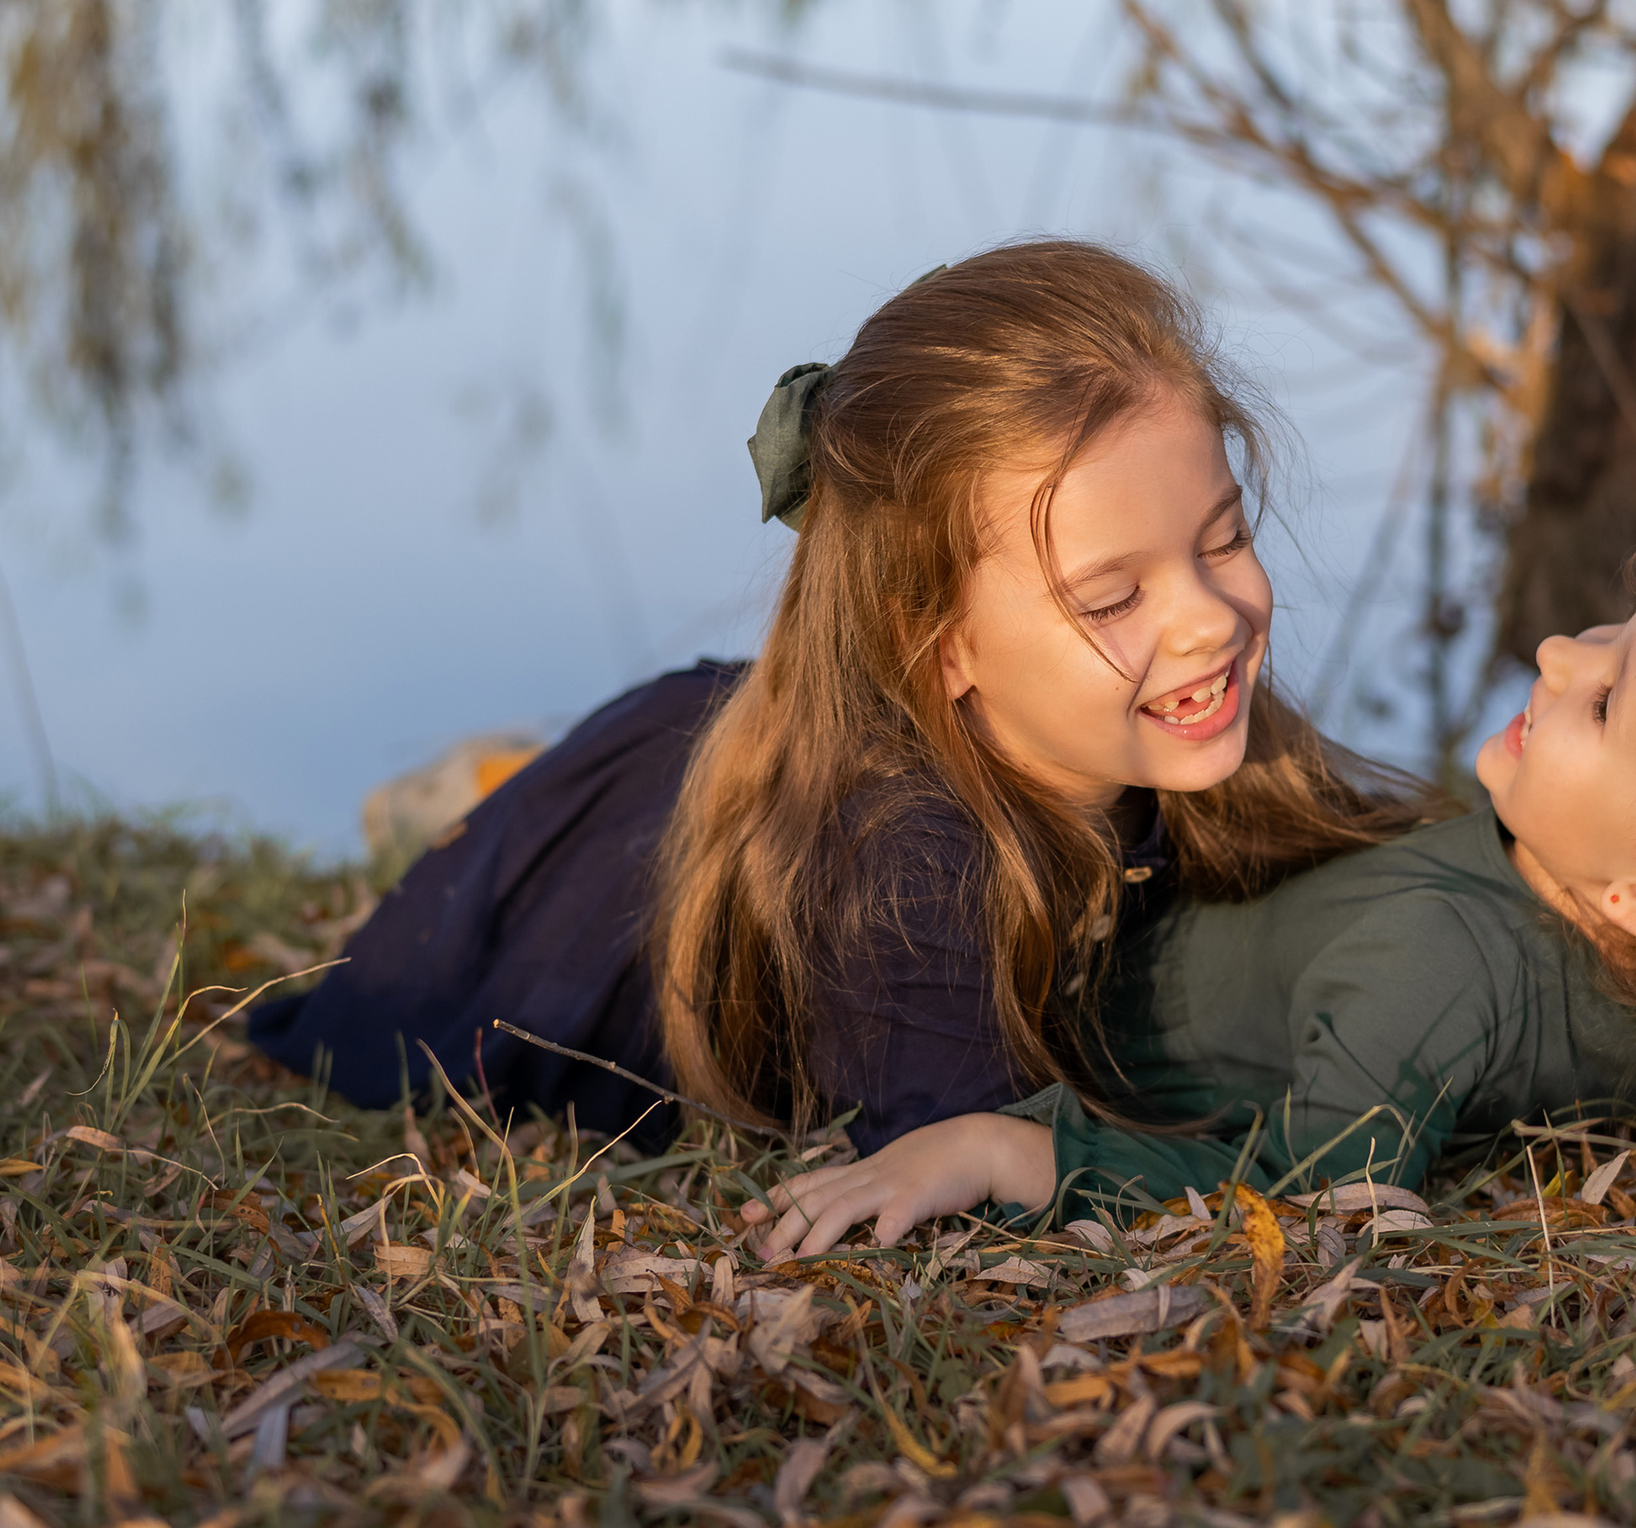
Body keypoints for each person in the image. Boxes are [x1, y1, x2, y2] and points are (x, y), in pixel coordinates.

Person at [250, 241, 1428, 1150]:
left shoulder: (1177, 712)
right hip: (586, 892)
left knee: (681, 754)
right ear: (941, 646)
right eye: (1111, 599)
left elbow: (1367, 852)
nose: (1208, 618)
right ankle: (489, 793)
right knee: (537, 851)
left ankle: (497, 773)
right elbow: (959, 1162)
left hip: (714, 730)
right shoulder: (907, 869)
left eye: (1221, 541)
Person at [747, 532, 1636, 1252]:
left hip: (1068, 981)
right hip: (1217, 902)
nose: (1558, 649)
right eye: (1609, 639)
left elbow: (1292, 1192)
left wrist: (995, 1146)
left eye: (1605, 699)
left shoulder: (1434, 969)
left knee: (815, 778)